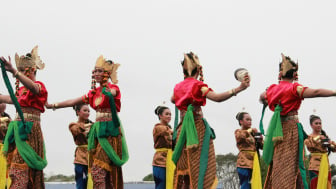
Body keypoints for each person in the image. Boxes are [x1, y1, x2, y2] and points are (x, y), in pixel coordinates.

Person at [46, 55, 128, 189]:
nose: (96, 73)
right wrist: (53, 105)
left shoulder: (113, 88)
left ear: (107, 73)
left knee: (99, 171)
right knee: (103, 173)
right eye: (94, 71)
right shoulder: (93, 93)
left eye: (99, 71)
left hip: (109, 132)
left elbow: (114, 92)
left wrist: (110, 92)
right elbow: (73, 102)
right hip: (98, 132)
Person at [171, 52, 250, 189]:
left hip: (182, 130)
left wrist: (184, 100)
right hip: (196, 130)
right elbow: (217, 98)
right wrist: (239, 88)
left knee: (185, 174)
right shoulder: (198, 85)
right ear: (199, 69)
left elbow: (173, 99)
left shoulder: (178, 86)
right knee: (198, 169)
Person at [259, 53, 336, 189]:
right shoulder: (294, 88)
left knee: (279, 163)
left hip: (278, 127)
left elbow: (262, 97)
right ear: (295, 75)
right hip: (291, 129)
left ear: (280, 74)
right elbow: (316, 92)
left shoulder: (272, 89)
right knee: (291, 164)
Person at [0, 46, 48, 189]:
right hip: (17, 133)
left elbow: (33, 88)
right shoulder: (21, 91)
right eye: (19, 70)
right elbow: (6, 98)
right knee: (16, 170)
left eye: (22, 70)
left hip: (29, 133)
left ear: (32, 70)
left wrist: (14, 71)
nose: (19, 73)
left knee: (23, 169)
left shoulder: (39, 86)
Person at [304, 115, 336, 189]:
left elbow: (334, 149)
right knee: (315, 185)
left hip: (326, 165)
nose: (319, 125)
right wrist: (319, 138)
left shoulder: (325, 136)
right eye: (316, 123)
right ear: (311, 125)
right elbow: (311, 145)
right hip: (314, 167)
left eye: (320, 123)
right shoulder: (309, 138)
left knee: (327, 185)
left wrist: (329, 142)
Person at [235, 112, 263, 189]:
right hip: (244, 163)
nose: (250, 121)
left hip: (254, 163)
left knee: (254, 185)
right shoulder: (238, 132)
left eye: (250, 120)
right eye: (247, 119)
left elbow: (262, 147)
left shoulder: (253, 134)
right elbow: (240, 136)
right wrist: (250, 130)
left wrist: (260, 140)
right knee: (246, 184)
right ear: (241, 121)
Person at [69, 104, 93, 189]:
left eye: (89, 111)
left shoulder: (94, 125)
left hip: (92, 156)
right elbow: (76, 130)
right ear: (78, 112)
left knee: (92, 180)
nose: (87, 112)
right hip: (80, 157)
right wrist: (91, 125)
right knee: (80, 180)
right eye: (85, 110)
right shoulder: (73, 125)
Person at [152, 105, 173, 189]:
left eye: (170, 114)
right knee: (161, 186)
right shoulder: (158, 127)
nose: (169, 116)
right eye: (167, 114)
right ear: (160, 115)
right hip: (160, 162)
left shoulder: (168, 128)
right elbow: (173, 133)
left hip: (170, 160)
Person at [0, 102, 12, 188]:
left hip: (6, 148)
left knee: (7, 173)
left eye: (4, 102)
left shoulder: (7, 116)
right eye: (0, 103)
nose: (3, 104)